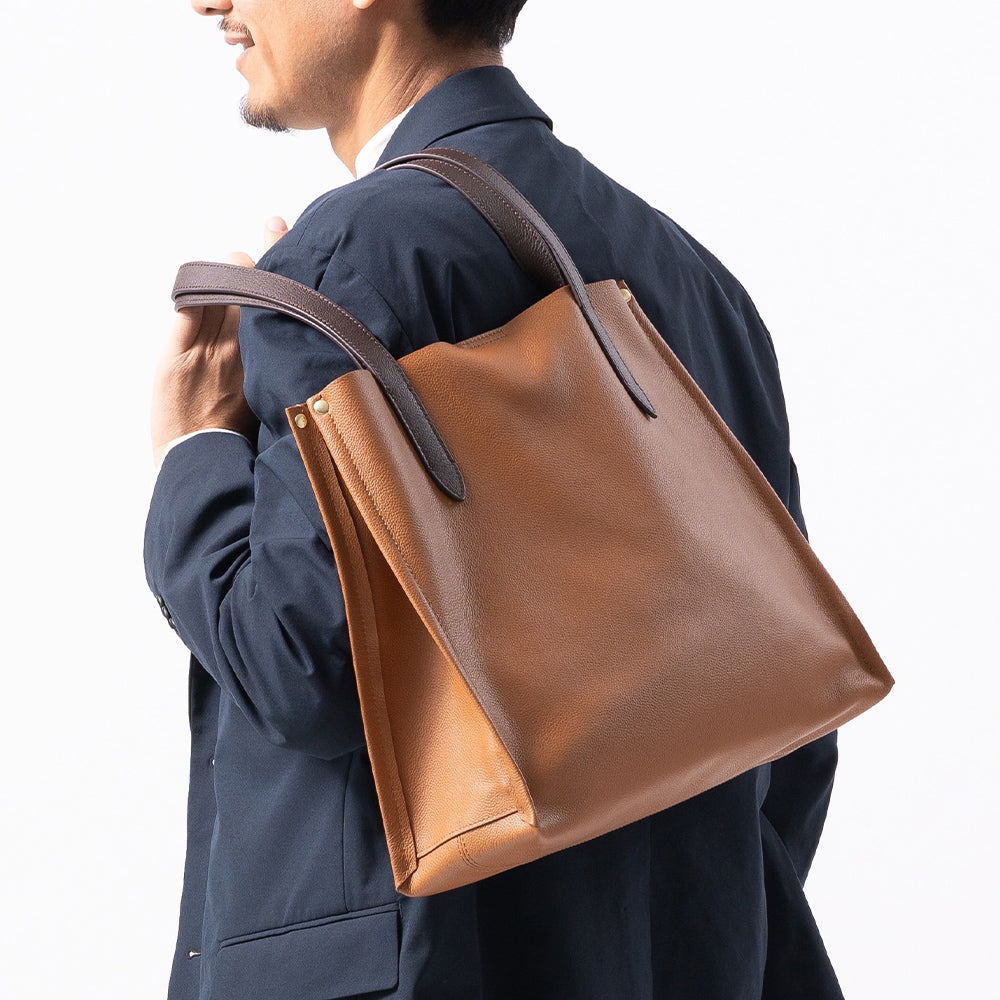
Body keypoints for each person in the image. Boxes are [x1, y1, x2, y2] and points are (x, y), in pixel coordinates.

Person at [144, 2, 843, 998]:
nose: (208, 1)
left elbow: (299, 660)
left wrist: (195, 446)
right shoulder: (694, 281)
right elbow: (786, 714)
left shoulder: (359, 252)